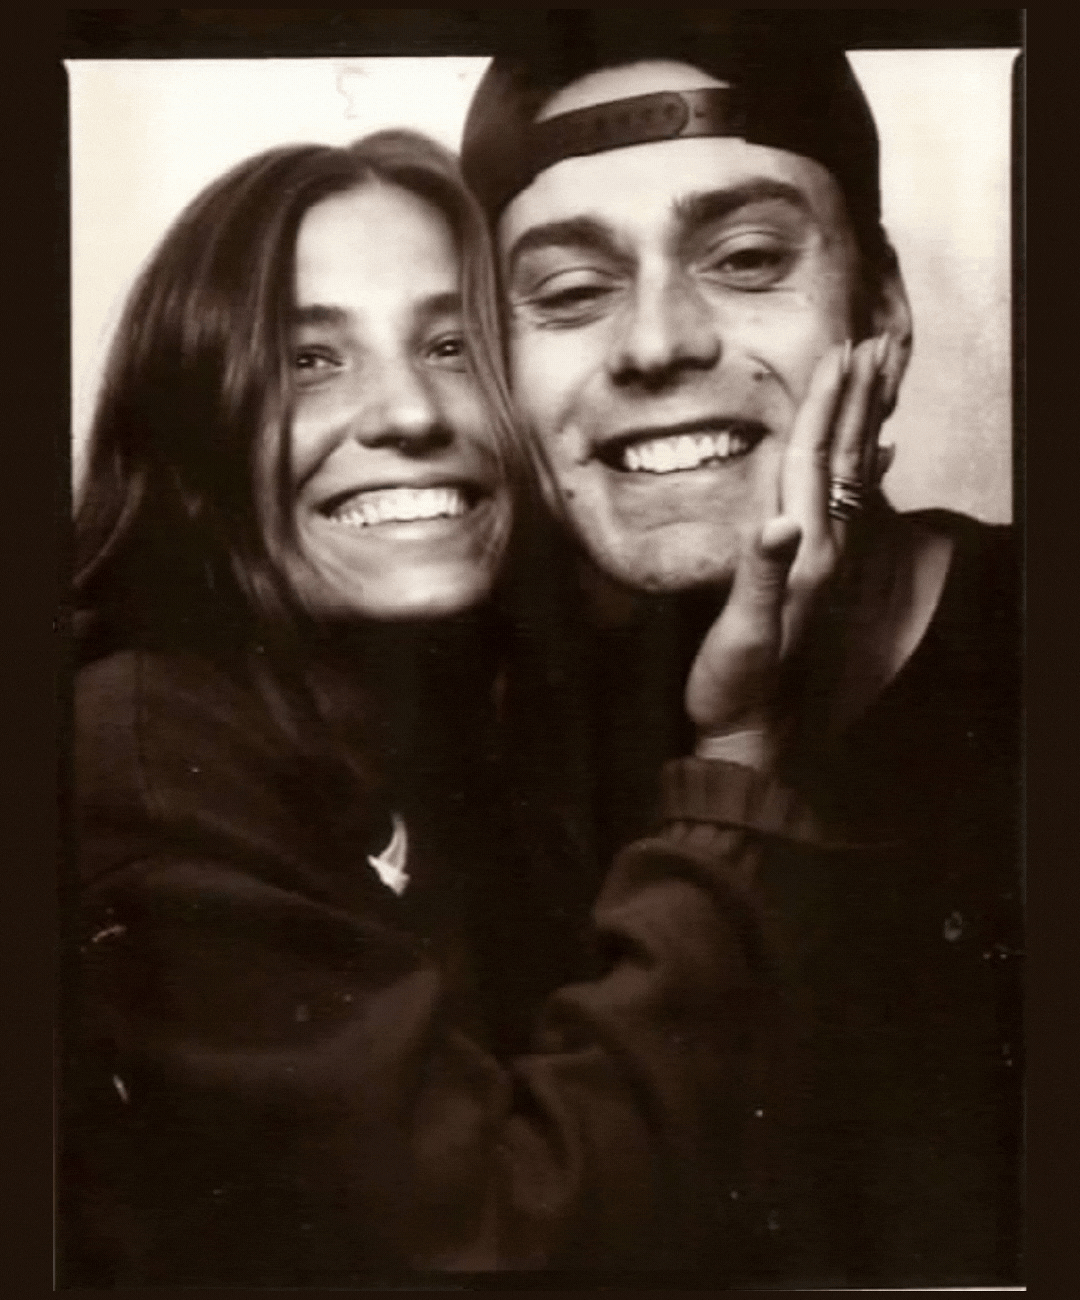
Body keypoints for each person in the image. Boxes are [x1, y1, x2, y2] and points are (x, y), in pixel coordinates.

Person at [63, 127, 851, 1285]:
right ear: (193, 435)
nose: (413, 415)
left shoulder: (417, 706)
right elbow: (505, 1234)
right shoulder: (143, 744)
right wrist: (732, 757)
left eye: (448, 345)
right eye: (311, 362)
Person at [461, 18, 1022, 1286]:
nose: (658, 341)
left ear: (882, 310)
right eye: (567, 292)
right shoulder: (460, 749)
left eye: (748, 256)